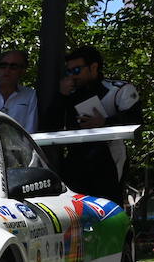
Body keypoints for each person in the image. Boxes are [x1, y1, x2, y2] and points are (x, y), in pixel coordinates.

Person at [43, 44, 142, 205]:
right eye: (69, 71)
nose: (73, 76)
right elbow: (49, 126)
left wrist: (105, 122)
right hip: (75, 163)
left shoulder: (119, 90)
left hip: (109, 161)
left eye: (77, 70)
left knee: (108, 208)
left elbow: (136, 120)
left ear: (94, 67)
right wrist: (61, 96)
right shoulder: (69, 93)